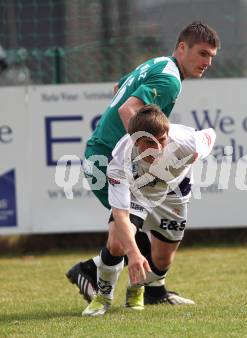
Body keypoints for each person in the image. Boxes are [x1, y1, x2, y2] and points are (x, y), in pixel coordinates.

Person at [66, 21, 220, 306]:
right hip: (108, 158)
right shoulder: (170, 80)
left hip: (107, 153)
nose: (208, 62)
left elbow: (119, 87)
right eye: (202, 54)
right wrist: (143, 152)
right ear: (182, 47)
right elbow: (128, 108)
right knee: (125, 228)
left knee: (154, 237)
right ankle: (87, 270)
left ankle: (154, 291)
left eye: (211, 56)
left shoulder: (160, 64)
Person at [82, 104, 216, 316]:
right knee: (117, 242)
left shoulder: (188, 142)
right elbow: (120, 214)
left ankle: (137, 287)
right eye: (147, 143)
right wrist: (133, 254)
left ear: (167, 134)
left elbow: (210, 135)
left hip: (174, 194)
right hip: (139, 195)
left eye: (161, 140)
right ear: (135, 141)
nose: (157, 149)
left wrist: (192, 159)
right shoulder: (120, 159)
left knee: (162, 261)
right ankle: (103, 297)